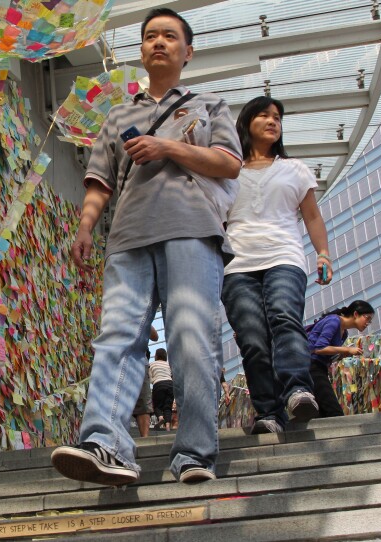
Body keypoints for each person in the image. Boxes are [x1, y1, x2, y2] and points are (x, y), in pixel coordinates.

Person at [51, 7, 242, 486]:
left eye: (170, 36)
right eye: (151, 36)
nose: (159, 42)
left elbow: (229, 163)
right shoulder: (118, 114)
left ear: (187, 51)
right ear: (141, 50)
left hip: (192, 230)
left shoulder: (209, 105)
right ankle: (106, 443)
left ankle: (195, 454)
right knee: (116, 337)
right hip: (128, 238)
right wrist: (85, 226)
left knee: (192, 339)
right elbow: (98, 182)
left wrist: (168, 148)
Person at [220, 96, 331, 434]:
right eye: (264, 115)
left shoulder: (294, 168)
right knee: (252, 338)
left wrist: (322, 253)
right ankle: (269, 413)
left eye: (277, 117)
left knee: (283, 317)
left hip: (285, 255)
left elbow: (311, 216)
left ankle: (298, 390)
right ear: (246, 122)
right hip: (236, 264)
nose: (273, 121)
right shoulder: (226, 169)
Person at [307, 300, 375, 417]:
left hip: (320, 368)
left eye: (370, 320)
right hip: (311, 366)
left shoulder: (344, 333)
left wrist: (341, 355)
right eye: (367, 318)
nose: (368, 323)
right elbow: (319, 348)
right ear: (355, 314)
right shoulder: (334, 321)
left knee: (321, 413)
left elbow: (326, 354)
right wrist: (347, 350)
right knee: (333, 411)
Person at [133, 326, 160, 437]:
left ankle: (144, 437)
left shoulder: (140, 315)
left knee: (143, 402)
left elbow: (155, 336)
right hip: (118, 361)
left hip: (139, 360)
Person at [149, 348, 174, 431]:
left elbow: (150, 378)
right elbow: (172, 375)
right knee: (167, 407)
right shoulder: (168, 365)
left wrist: (154, 381)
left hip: (158, 384)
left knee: (157, 405)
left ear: (156, 356)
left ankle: (160, 418)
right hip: (170, 384)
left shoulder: (152, 364)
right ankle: (167, 426)